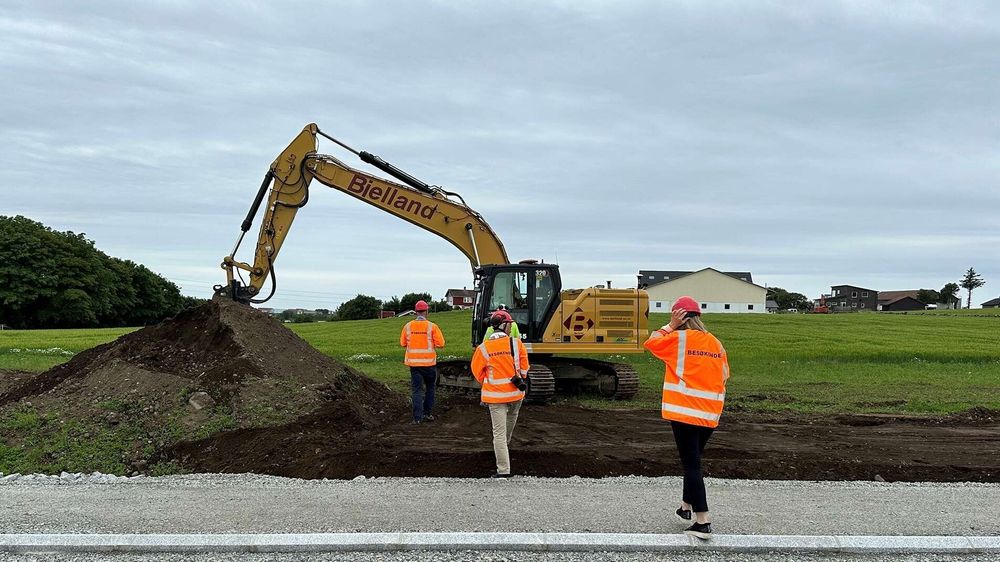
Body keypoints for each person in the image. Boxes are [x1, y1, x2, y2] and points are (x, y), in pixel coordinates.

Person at [643, 296, 730, 540]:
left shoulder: (678, 338)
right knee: (693, 460)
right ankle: (685, 506)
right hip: (710, 413)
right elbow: (724, 375)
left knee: (692, 465)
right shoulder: (716, 343)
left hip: (684, 412)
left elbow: (651, 343)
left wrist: (669, 325)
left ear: (679, 317)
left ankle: (702, 520)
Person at [470, 309, 529, 478]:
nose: (511, 327)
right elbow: (524, 368)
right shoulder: (516, 344)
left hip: (495, 397)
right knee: (507, 428)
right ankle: (505, 449)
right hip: (516, 394)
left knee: (499, 434)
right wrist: (520, 376)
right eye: (510, 324)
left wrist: (488, 381)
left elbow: (476, 371)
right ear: (504, 326)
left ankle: (504, 470)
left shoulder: (483, 348)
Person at [399, 300, 445, 424]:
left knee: (416, 391)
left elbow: (403, 343)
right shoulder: (432, 326)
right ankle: (427, 414)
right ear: (426, 311)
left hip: (414, 365)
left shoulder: (408, 326)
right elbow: (441, 344)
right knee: (430, 388)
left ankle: (417, 418)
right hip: (429, 364)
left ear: (415, 312)